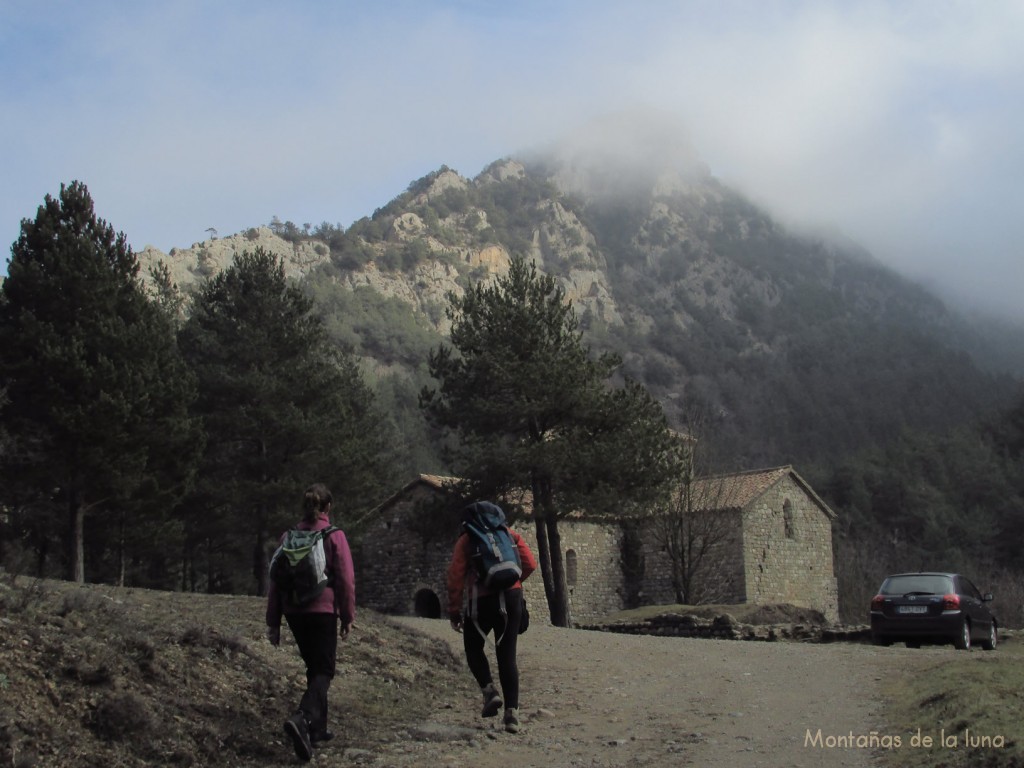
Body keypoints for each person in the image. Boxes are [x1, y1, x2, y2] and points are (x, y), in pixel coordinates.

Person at [266, 483, 355, 762]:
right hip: (322, 609)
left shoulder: (287, 537)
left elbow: (275, 581)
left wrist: (274, 622)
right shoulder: (334, 536)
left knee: (314, 667)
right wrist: (347, 616)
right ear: (327, 507)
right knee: (325, 670)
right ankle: (303, 718)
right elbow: (346, 581)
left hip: (294, 612)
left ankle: (318, 729)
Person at [447, 501, 537, 734]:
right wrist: (512, 584)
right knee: (507, 656)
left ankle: (489, 691)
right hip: (512, 598)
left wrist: (454, 610)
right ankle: (512, 715)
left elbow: (455, 576)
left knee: (473, 647)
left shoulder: (467, 540)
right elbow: (530, 564)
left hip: (481, 601)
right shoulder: (509, 534)